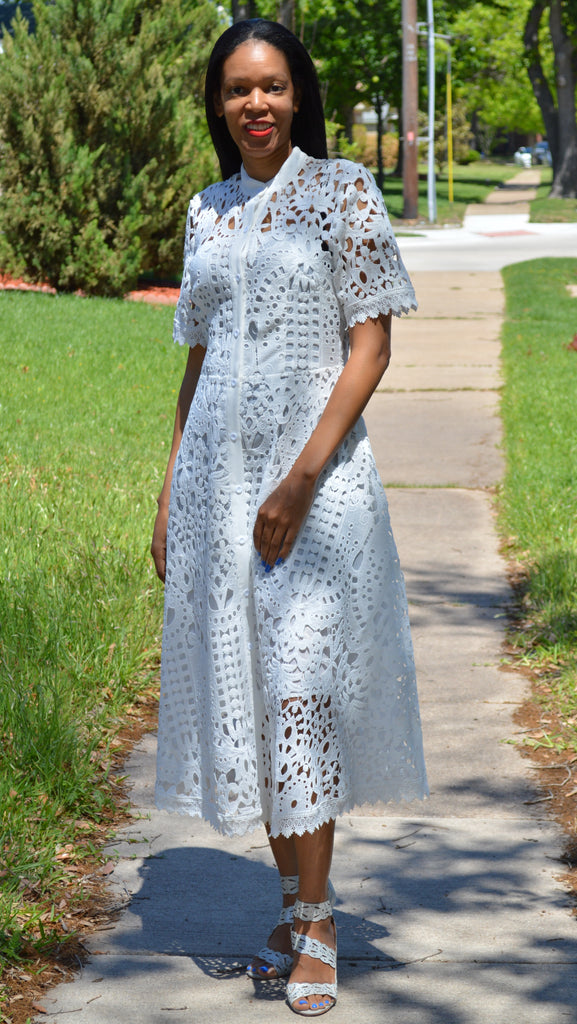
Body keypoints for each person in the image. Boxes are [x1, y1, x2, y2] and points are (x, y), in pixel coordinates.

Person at [151, 18, 428, 1018]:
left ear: (297, 94)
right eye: (236, 90)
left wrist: (300, 481)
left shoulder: (342, 190)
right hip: (218, 492)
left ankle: (315, 921)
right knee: (256, 696)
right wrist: (170, 490)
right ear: (218, 104)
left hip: (316, 490)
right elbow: (199, 358)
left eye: (270, 86)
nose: (254, 104)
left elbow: (370, 348)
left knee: (301, 692)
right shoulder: (208, 210)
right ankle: (293, 904)